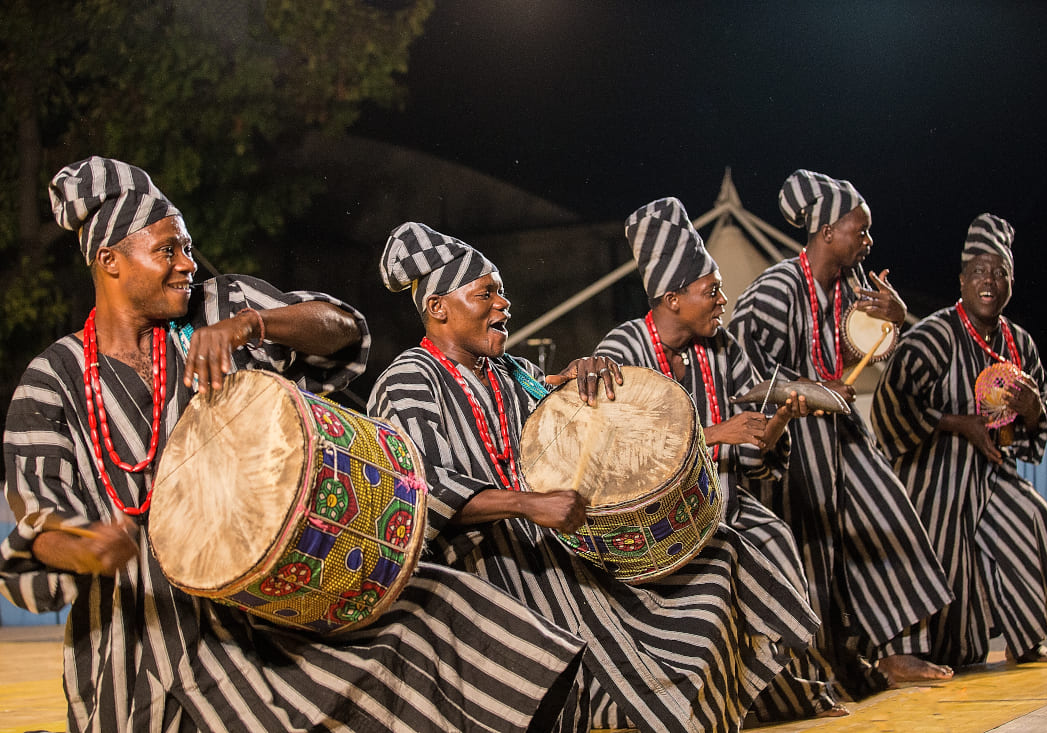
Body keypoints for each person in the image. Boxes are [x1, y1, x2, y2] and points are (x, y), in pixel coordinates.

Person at [0, 156, 586, 732]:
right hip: (132, 644)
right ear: (109, 260)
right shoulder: (53, 381)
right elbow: (38, 524)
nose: (186, 264)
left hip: (265, 615)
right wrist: (83, 548)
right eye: (167, 250)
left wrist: (253, 325)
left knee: (440, 607)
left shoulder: (219, 306)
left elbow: (343, 329)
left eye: (187, 247)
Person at [366, 222, 819, 733]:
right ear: (438, 308)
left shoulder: (508, 372)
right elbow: (418, 491)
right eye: (486, 293)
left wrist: (580, 380)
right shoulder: (408, 381)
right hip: (490, 572)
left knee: (720, 553)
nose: (504, 304)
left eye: (502, 291)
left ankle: (729, 701)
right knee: (610, 668)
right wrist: (527, 505)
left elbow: (563, 419)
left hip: (553, 548)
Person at [595, 196, 848, 722]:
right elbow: (618, 452)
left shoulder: (722, 347)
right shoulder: (622, 350)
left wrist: (777, 424)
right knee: (722, 577)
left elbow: (755, 450)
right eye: (711, 291)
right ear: (672, 298)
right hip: (654, 525)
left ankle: (785, 694)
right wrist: (715, 434)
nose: (723, 300)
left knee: (774, 539)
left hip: (724, 501)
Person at [727, 169, 955, 697]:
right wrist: (810, 387)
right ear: (827, 231)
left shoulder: (853, 291)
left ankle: (896, 649)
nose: (869, 241)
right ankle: (819, 669)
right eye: (861, 229)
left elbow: (873, 354)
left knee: (890, 514)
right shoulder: (777, 287)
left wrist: (896, 321)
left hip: (843, 432)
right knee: (814, 551)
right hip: (795, 439)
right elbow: (741, 370)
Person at [871, 213, 1047, 667]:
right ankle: (919, 652)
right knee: (938, 542)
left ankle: (1026, 640)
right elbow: (892, 404)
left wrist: (1032, 410)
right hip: (932, 474)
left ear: (1011, 283)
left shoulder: (1018, 343)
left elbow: (1038, 413)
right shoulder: (934, 335)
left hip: (989, 473)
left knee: (1029, 515)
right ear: (962, 280)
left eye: (1000, 272)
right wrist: (958, 423)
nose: (989, 280)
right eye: (979, 270)